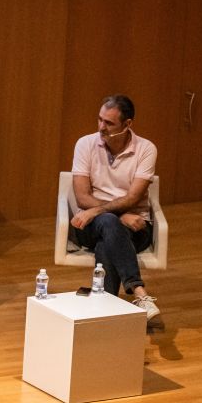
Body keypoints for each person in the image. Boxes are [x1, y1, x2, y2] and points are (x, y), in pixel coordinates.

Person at [70, 94, 161, 322]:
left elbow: (133, 197)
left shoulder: (146, 149)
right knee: (109, 223)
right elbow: (82, 197)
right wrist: (119, 215)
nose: (101, 127)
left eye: (109, 123)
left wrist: (98, 210)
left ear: (127, 124)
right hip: (90, 225)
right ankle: (139, 292)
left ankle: (104, 314)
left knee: (107, 242)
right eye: (100, 119)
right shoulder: (85, 144)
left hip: (136, 227)